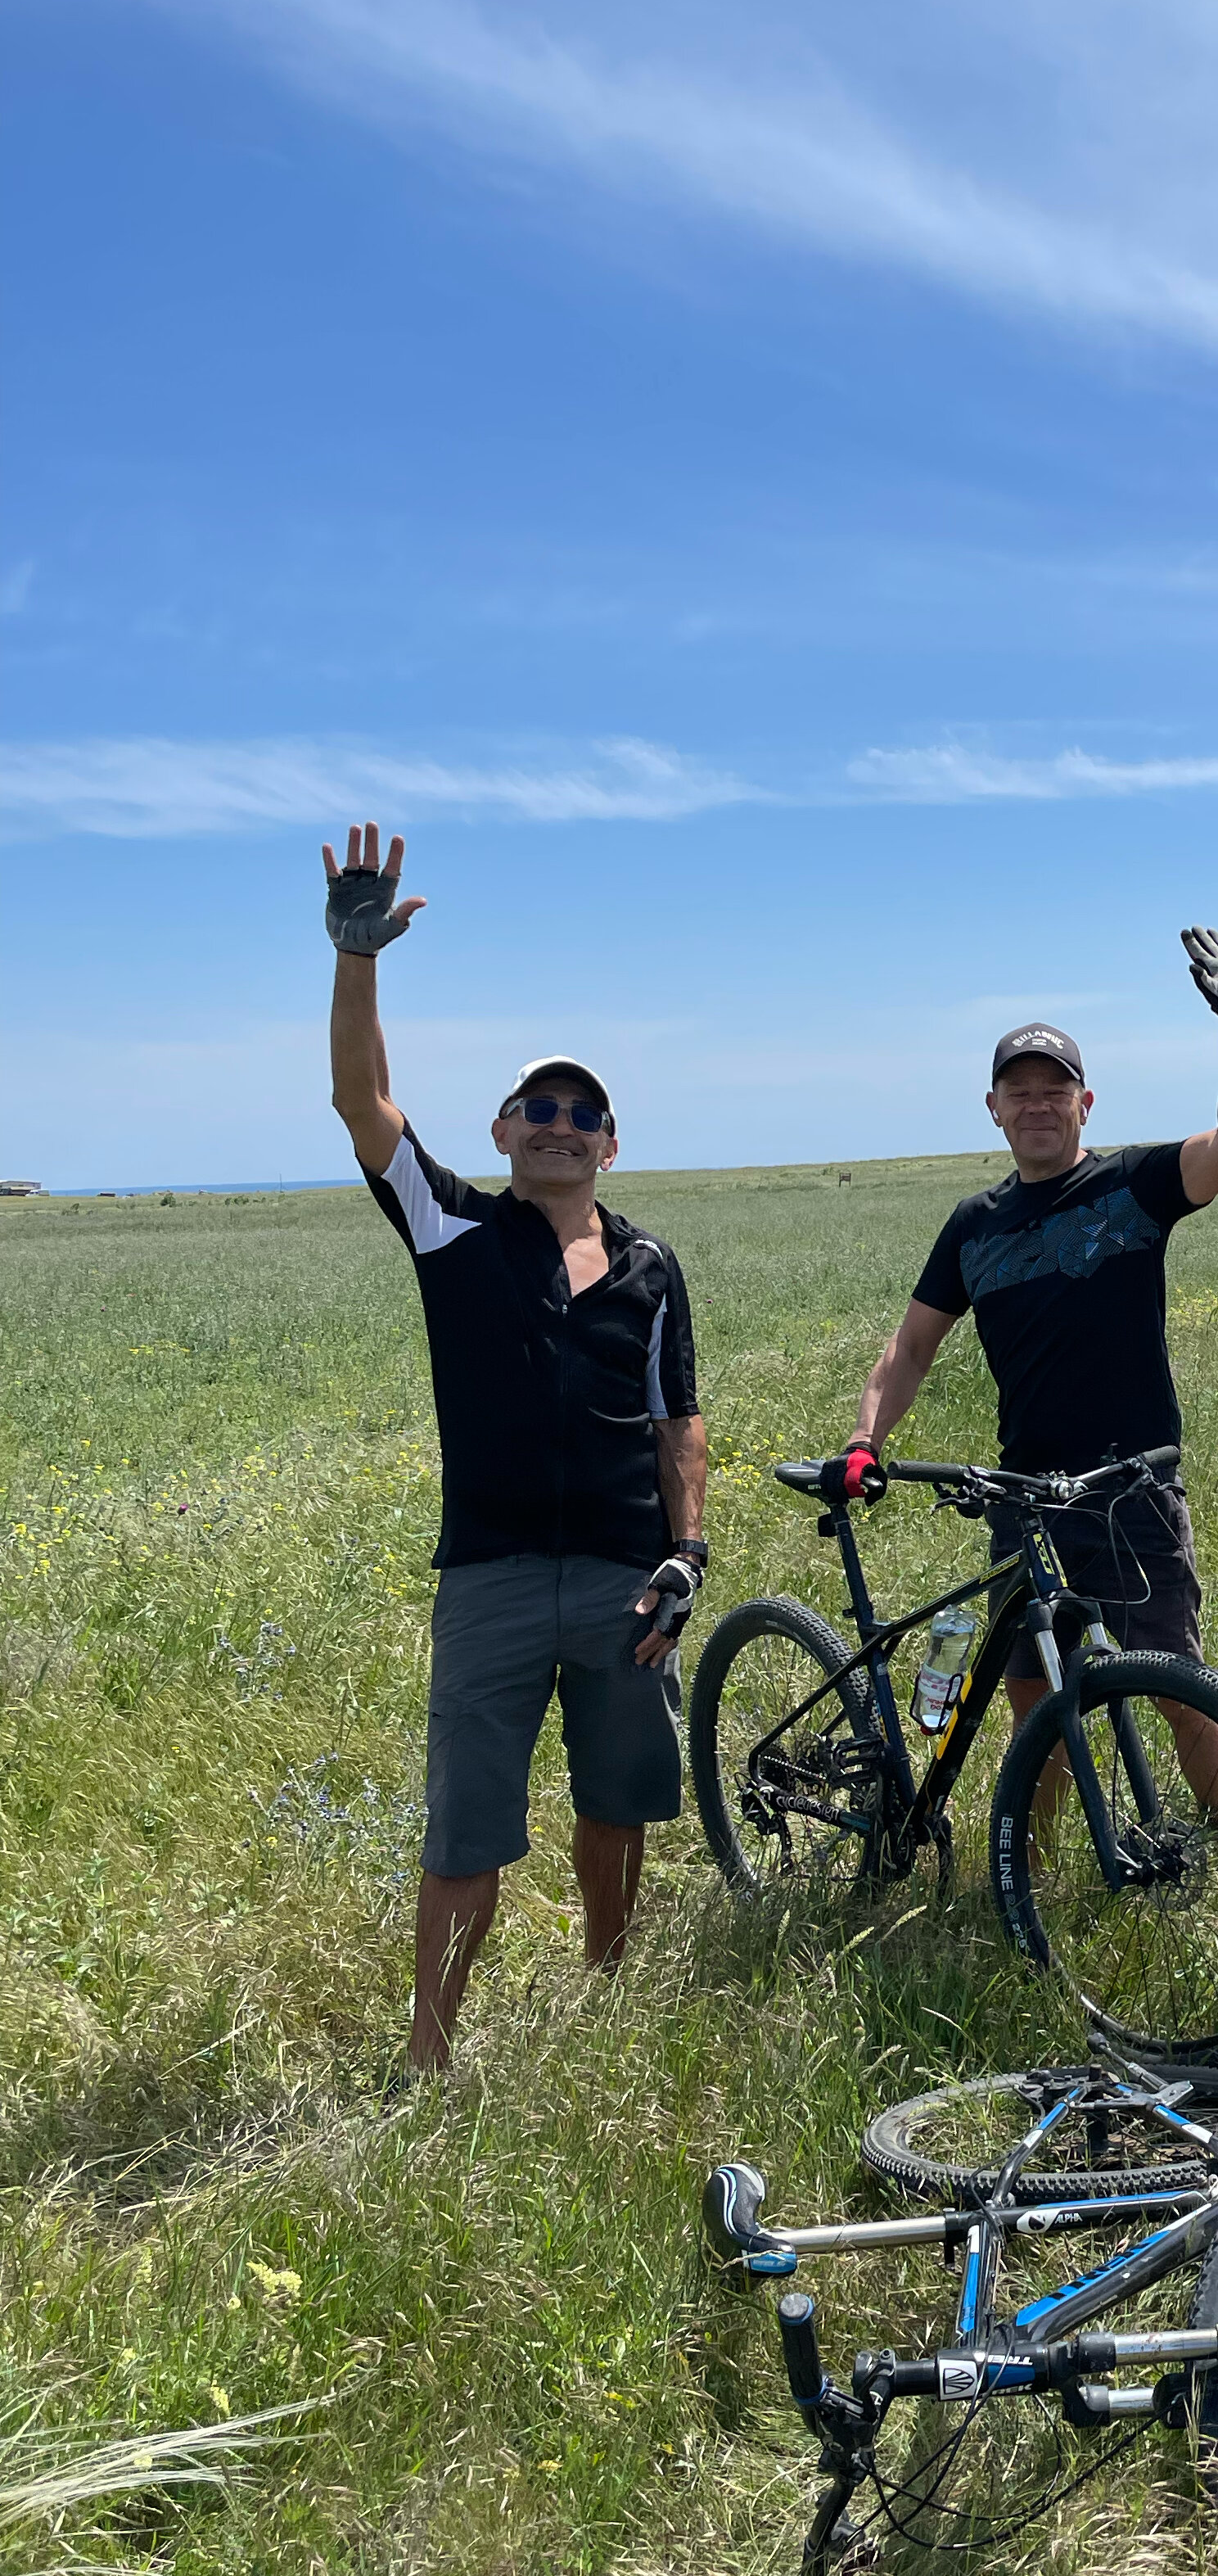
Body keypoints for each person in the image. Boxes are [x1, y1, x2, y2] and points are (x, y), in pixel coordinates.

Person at [323, 824, 708, 2078]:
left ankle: (608, 1997)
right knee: (466, 1831)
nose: (560, 1125)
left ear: (611, 1144)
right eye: (538, 1109)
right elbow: (361, 1105)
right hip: (488, 1578)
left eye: (582, 1114)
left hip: (622, 1580)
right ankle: (429, 2059)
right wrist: (357, 959)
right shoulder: (455, 1232)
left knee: (618, 1803)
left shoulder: (650, 1264)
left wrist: (688, 1554)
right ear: (499, 1132)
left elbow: (678, 1419)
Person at [842, 929, 1218, 1814]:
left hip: (1129, 1486)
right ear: (993, 1108)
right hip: (1022, 1493)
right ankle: (1025, 1864)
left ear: (1086, 1103)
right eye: (1020, 1092)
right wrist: (864, 1439)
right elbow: (911, 1347)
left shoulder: (1132, 1186)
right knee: (1035, 1700)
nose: (1038, 1105)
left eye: (1055, 1090)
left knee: (1176, 1685)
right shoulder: (974, 1225)